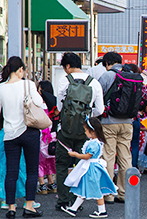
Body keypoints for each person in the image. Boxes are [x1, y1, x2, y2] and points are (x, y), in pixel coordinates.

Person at [56, 52, 104, 210]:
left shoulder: (64, 81)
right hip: (85, 131)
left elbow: (59, 108)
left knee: (62, 165)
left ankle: (63, 200)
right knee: (81, 165)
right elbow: (100, 109)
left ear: (68, 66)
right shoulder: (94, 83)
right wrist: (87, 117)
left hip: (65, 131)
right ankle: (76, 202)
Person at [0, 56, 43, 218]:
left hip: (10, 134)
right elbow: (39, 103)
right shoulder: (28, 84)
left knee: (11, 172)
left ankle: (11, 208)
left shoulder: (1, 88)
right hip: (29, 131)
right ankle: (29, 206)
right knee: (32, 170)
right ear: (20, 70)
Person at [61, 117, 117, 218]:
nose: (85, 132)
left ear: (93, 131)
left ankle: (102, 211)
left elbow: (87, 156)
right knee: (83, 189)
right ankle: (74, 209)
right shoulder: (96, 141)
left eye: (86, 130)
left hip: (91, 169)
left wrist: (75, 155)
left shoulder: (93, 143)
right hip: (92, 168)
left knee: (95, 191)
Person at [97, 52, 133, 204]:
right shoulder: (131, 75)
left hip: (109, 121)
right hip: (127, 122)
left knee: (109, 157)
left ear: (107, 63)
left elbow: (98, 98)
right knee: (125, 157)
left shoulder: (106, 76)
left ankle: (109, 194)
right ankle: (124, 193)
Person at [36, 81, 57, 195]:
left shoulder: (39, 105)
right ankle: (52, 183)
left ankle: (42, 185)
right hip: (52, 137)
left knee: (40, 161)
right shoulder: (53, 103)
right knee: (50, 159)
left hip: (41, 136)